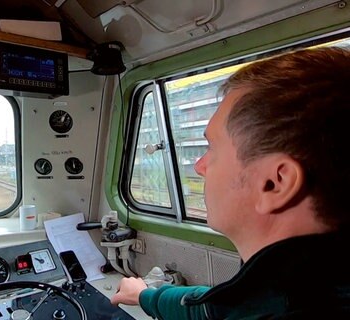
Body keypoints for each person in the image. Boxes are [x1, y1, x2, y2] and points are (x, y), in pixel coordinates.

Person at [111, 46, 350, 319]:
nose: (200, 166)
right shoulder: (305, 279)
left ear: (274, 183)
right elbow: (217, 307)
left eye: (212, 147)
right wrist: (145, 296)